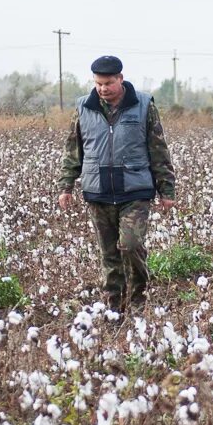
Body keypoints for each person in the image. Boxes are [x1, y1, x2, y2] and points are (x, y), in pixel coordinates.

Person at [57, 56, 177, 313]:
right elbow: (73, 151)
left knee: (131, 245)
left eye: (108, 83)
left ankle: (137, 300)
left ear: (120, 79)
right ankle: (114, 306)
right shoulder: (83, 108)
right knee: (109, 254)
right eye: (98, 83)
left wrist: (166, 188)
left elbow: (158, 149)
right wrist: (66, 186)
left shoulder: (144, 105)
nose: (103, 88)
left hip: (135, 190)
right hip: (98, 190)